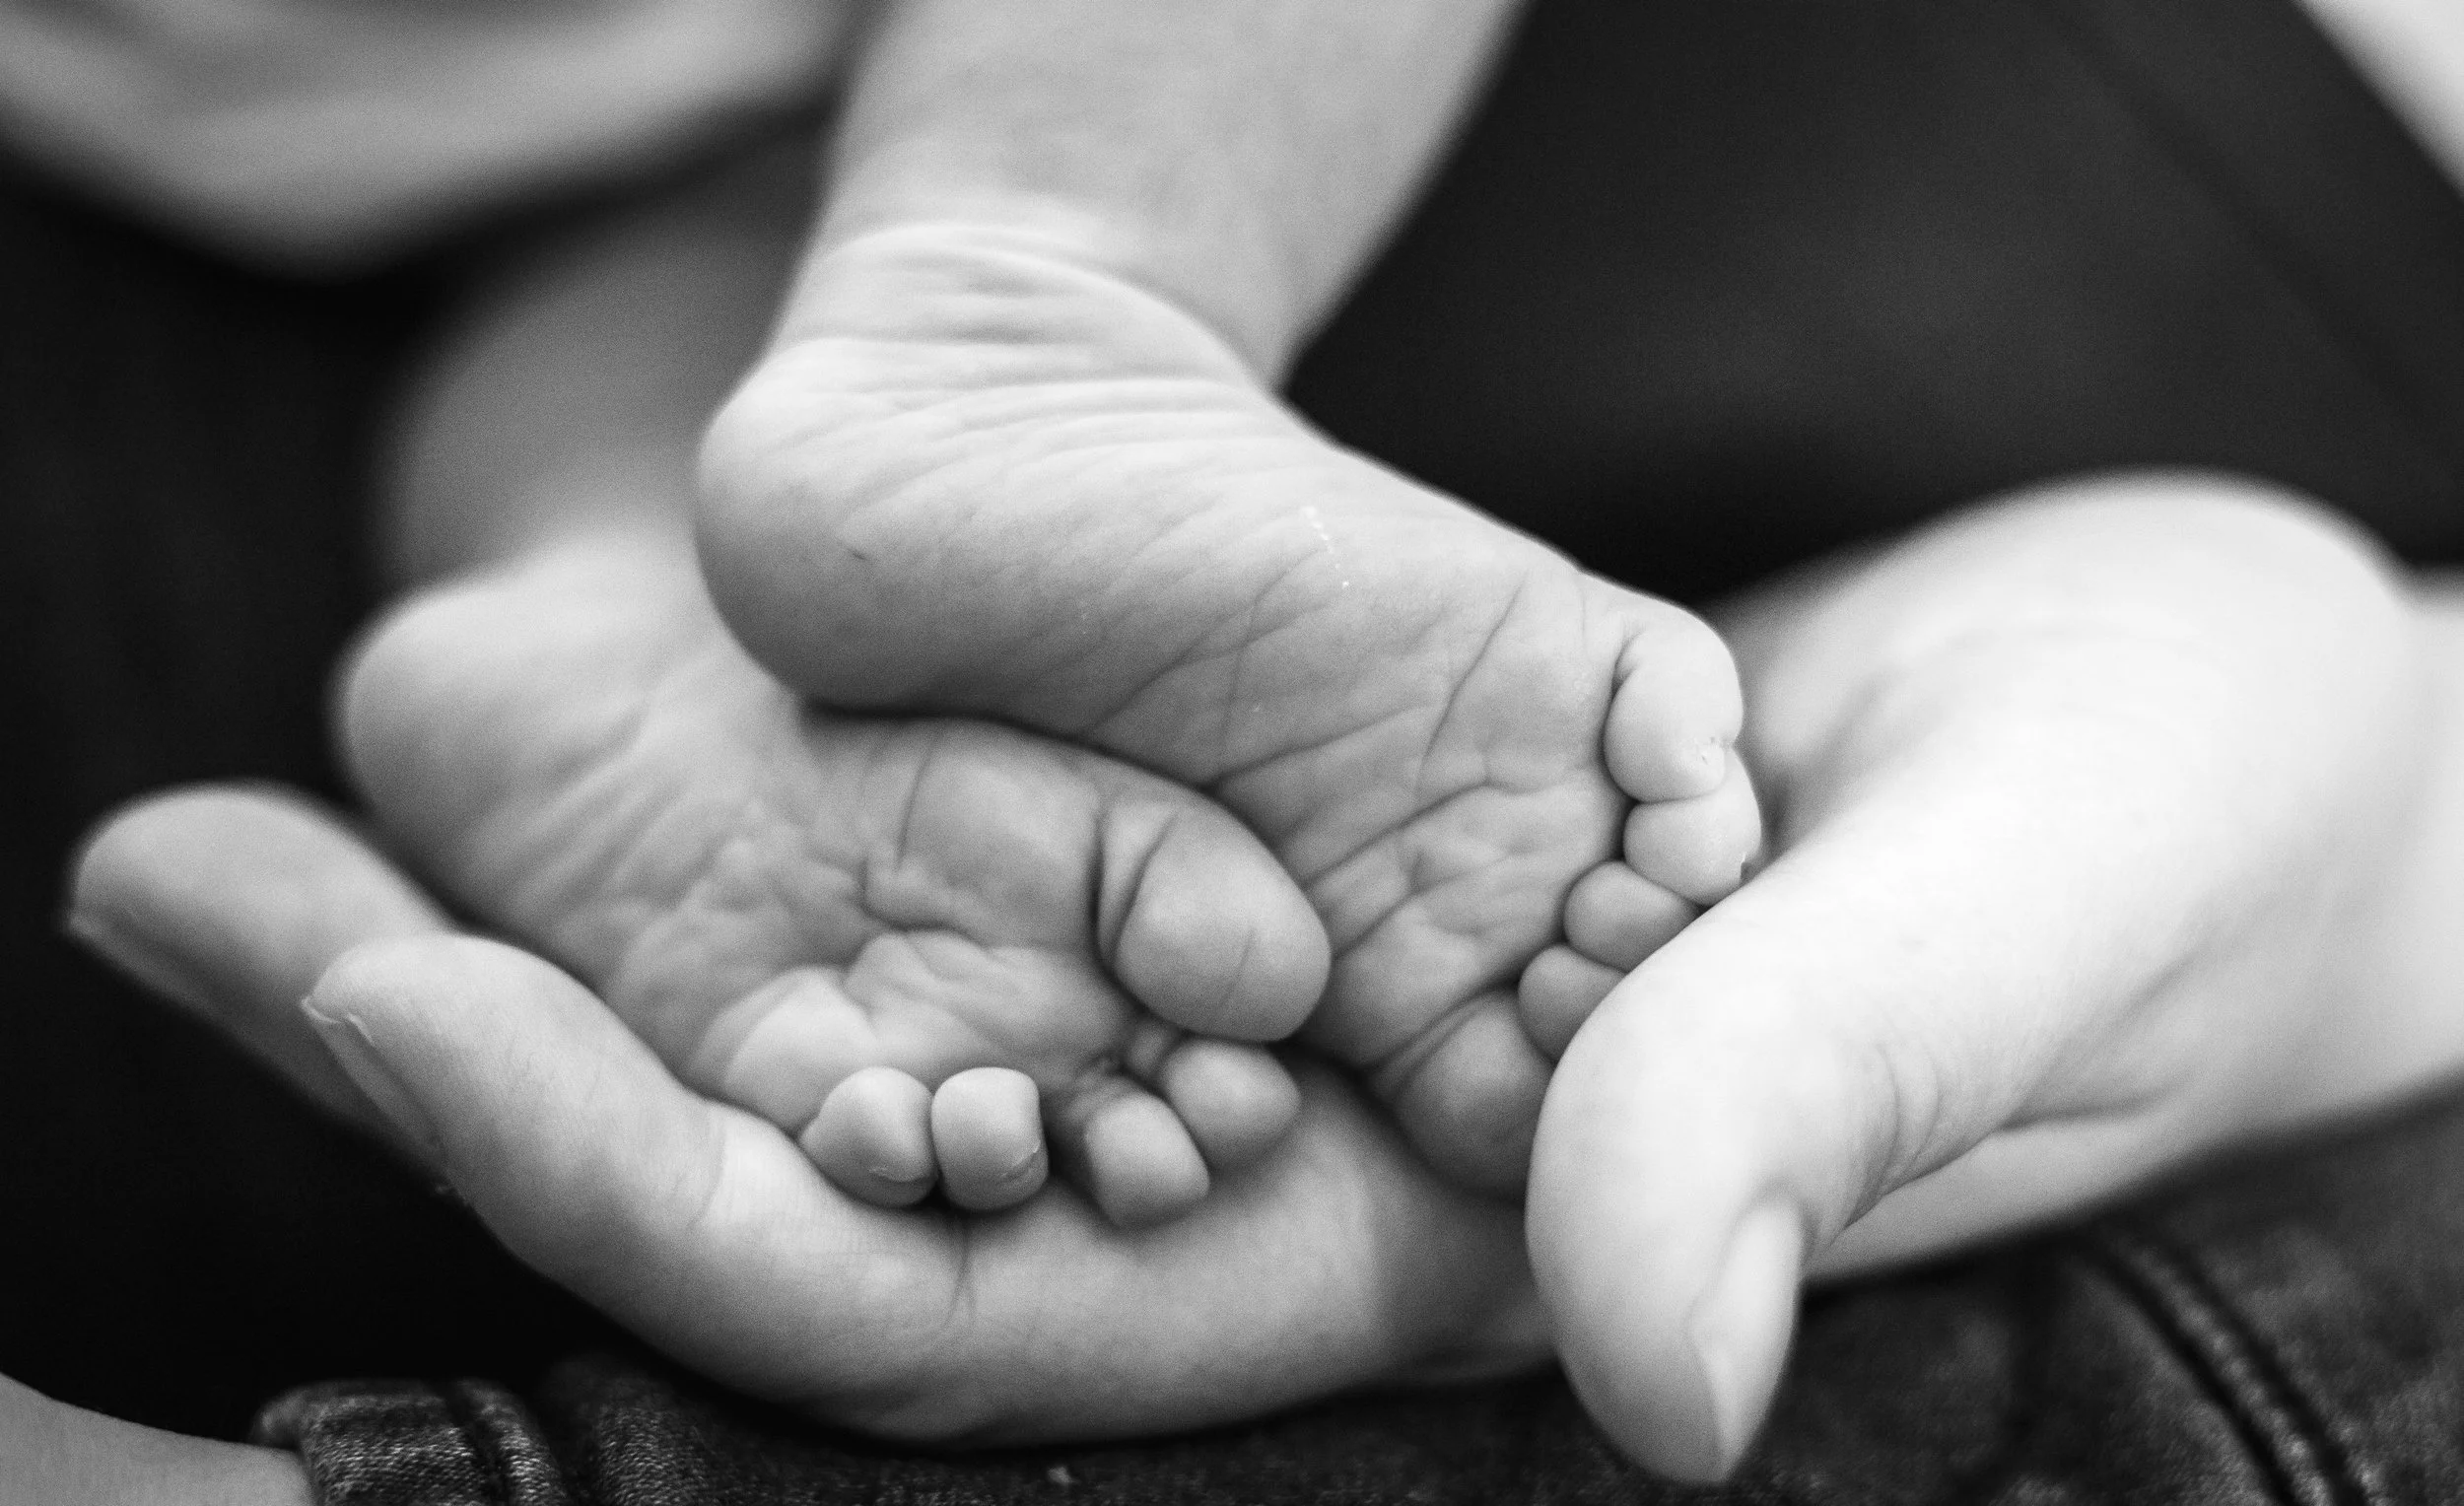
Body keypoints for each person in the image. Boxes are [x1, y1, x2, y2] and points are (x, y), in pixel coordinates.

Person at [8, 0, 2464, 1497]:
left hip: (412, 129)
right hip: (2188, 232)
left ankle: (670, 571)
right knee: (694, 242)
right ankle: (1009, 308)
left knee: (633, 254)